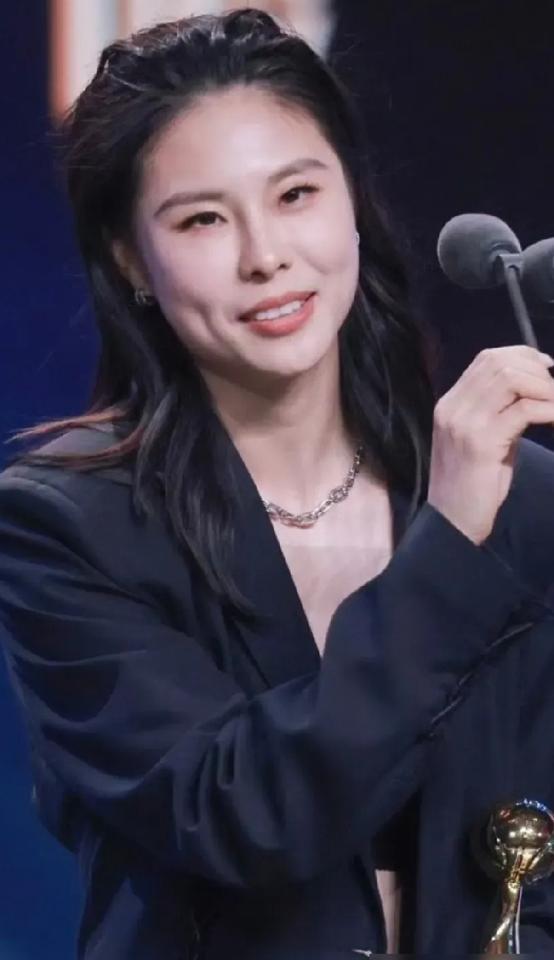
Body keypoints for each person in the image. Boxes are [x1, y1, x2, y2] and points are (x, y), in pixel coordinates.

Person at [2, 8, 554, 958]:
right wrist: (450, 544)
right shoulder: (64, 525)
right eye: (203, 219)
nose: (265, 256)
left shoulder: (521, 494)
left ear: (352, 202)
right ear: (131, 259)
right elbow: (246, 815)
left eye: (296, 194)